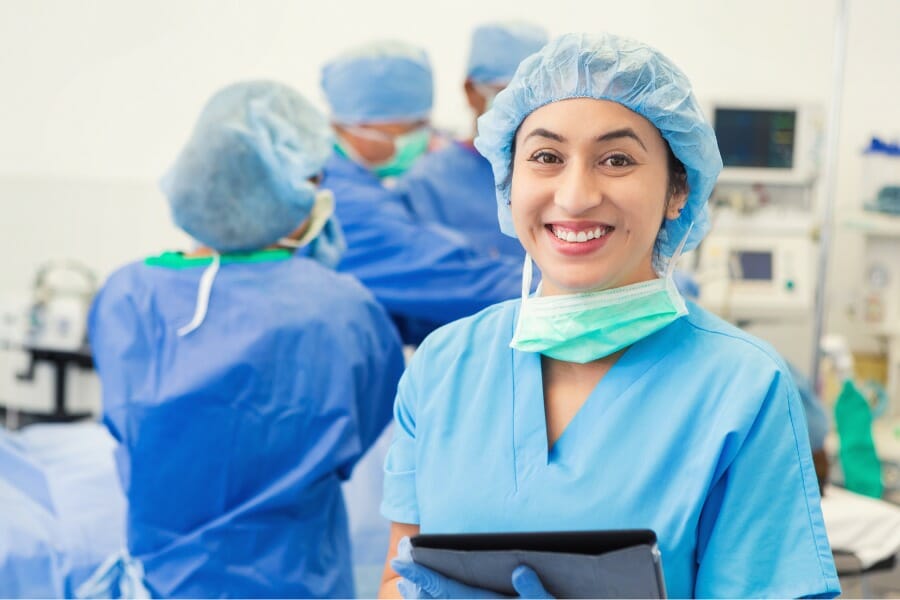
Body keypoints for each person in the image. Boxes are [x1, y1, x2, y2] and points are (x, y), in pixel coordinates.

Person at [378, 33, 840, 598]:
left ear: (678, 189)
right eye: (546, 157)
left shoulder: (743, 387)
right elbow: (395, 579)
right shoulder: (445, 365)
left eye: (616, 159)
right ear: (506, 178)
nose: (574, 196)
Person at [87, 81, 405, 598]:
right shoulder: (342, 308)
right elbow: (363, 428)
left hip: (162, 583)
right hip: (297, 580)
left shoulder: (129, 296)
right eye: (312, 179)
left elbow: (130, 428)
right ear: (288, 191)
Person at [320, 40, 528, 344]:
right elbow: (444, 275)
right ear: (358, 125)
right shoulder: (343, 201)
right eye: (411, 128)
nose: (423, 138)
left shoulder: (359, 182)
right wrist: (559, 289)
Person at [397, 22, 547, 260]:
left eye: (536, 95)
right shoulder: (428, 183)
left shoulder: (560, 171)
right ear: (470, 91)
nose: (522, 107)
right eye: (507, 93)